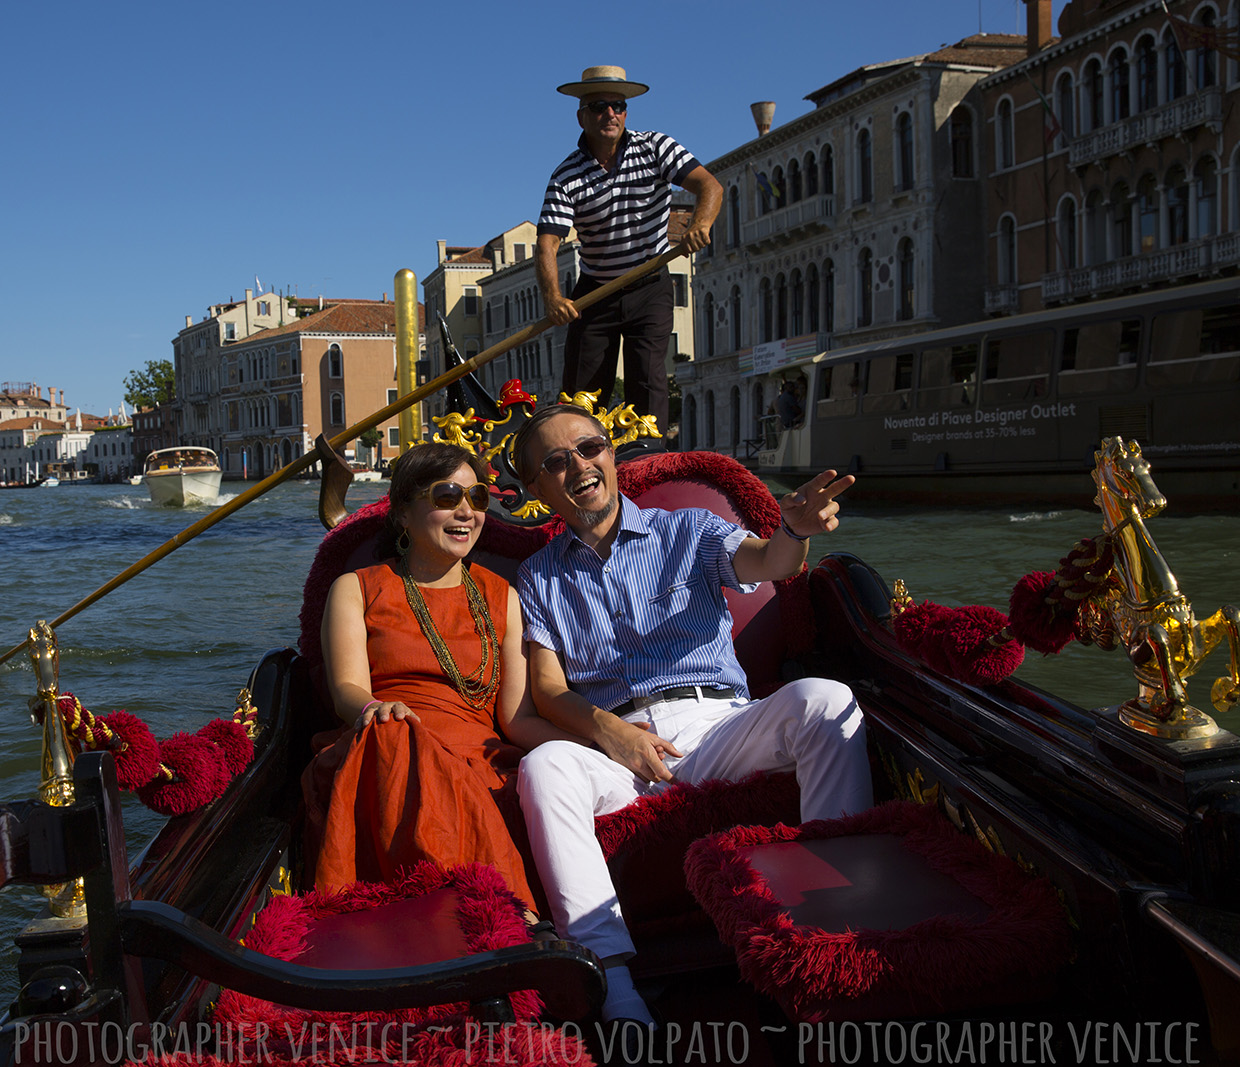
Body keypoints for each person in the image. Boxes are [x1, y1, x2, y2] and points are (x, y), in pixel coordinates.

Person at [510, 404, 872, 1027]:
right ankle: (614, 986)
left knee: (826, 700)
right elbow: (545, 691)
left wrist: (794, 531)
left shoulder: (689, 530)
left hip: (719, 727)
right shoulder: (538, 577)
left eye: (589, 448)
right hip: (619, 752)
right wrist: (613, 734)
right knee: (544, 766)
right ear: (536, 489)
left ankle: (833, 935)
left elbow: (766, 563)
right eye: (555, 463)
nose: (579, 467)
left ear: (611, 455)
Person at [303, 441, 583, 914]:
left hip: (478, 756)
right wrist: (376, 710)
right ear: (404, 513)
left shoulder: (504, 597)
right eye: (447, 496)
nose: (466, 512)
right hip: (385, 743)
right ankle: (510, 914)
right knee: (394, 734)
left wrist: (594, 746)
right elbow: (346, 690)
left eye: (476, 499)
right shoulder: (356, 587)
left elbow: (516, 718)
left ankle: (493, 917)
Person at [536, 66, 722, 430]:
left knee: (649, 385)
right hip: (595, 293)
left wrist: (700, 224)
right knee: (582, 395)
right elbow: (548, 241)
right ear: (581, 116)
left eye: (618, 106)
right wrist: (554, 298)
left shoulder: (656, 147)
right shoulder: (566, 176)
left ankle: (648, 468)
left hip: (649, 285)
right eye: (599, 106)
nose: (610, 114)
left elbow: (709, 186)